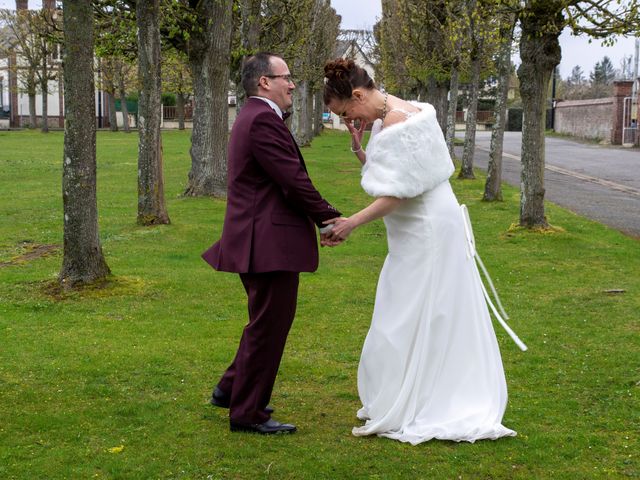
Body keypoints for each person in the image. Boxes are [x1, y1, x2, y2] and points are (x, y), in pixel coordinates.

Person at [322, 58, 526, 445]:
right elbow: (400, 173)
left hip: (426, 228)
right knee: (407, 307)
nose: (348, 118)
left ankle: (429, 398)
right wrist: (360, 149)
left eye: (346, 111)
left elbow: (397, 193)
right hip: (421, 225)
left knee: (421, 309)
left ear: (359, 95)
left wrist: (351, 223)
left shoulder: (398, 120)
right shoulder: (395, 113)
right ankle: (413, 391)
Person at [202, 52, 341, 435]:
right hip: (265, 243)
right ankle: (247, 413)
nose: (292, 84)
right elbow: (292, 179)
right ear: (265, 81)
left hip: (258, 239)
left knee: (263, 322)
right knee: (269, 327)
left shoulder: (255, 116)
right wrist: (329, 217)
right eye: (286, 77)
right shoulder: (263, 119)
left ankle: (229, 390)